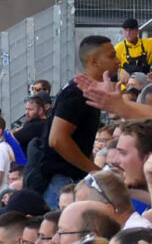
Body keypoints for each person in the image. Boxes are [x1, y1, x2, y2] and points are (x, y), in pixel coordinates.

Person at [27, 36, 118, 207]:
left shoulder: (87, 91)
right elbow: (57, 139)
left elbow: (80, 140)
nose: (118, 60)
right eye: (111, 56)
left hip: (70, 178)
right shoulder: (77, 92)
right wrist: (95, 171)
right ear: (94, 61)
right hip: (62, 181)